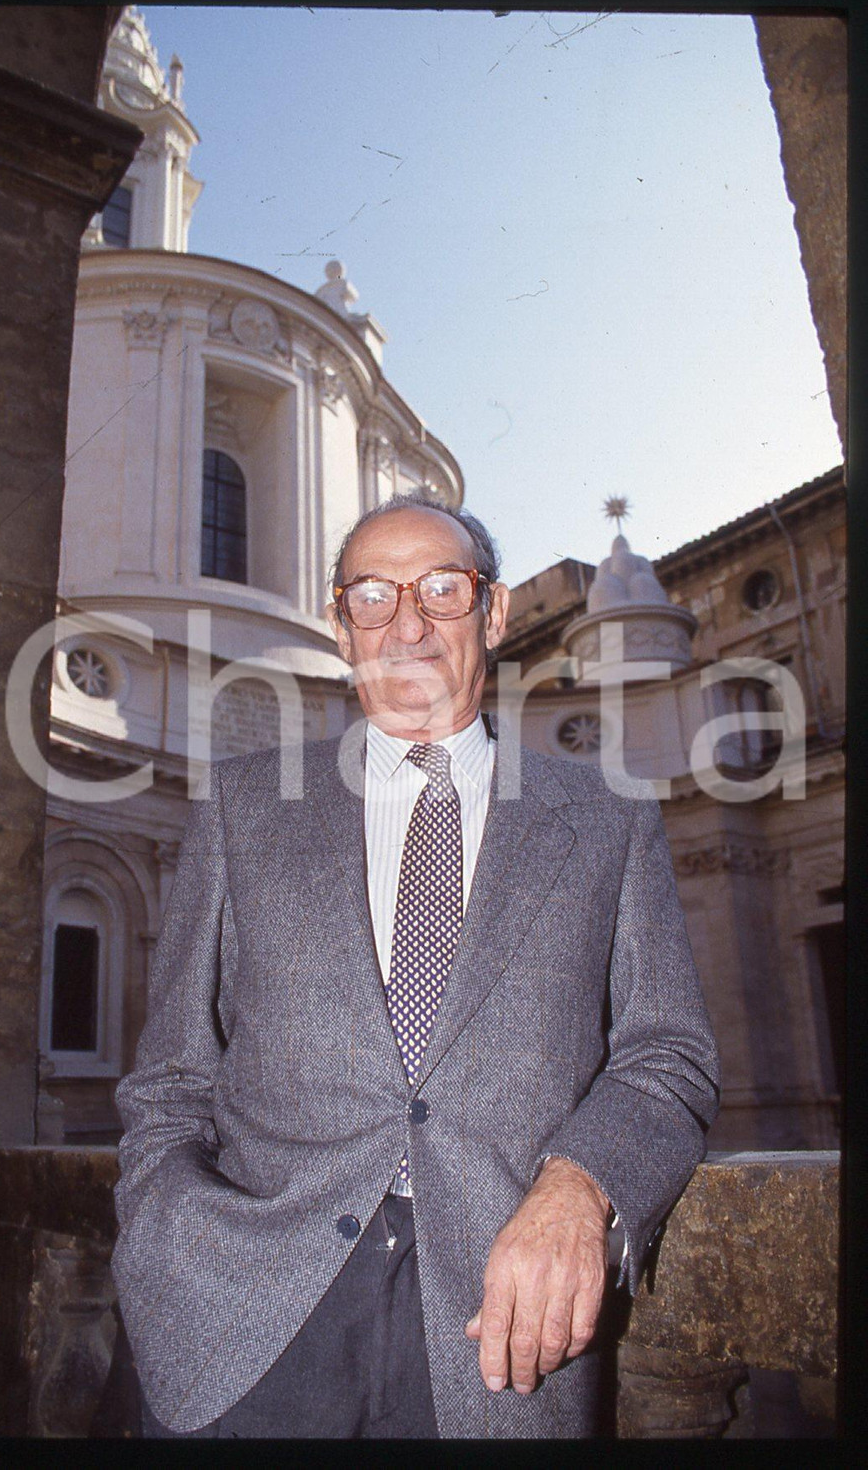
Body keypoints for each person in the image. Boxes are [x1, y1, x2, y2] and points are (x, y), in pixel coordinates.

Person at [112, 494, 720, 1439]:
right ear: (340, 623)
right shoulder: (243, 806)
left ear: (496, 611)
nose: (407, 623)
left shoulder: (609, 818)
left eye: (442, 588)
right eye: (372, 595)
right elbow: (174, 1074)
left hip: (502, 1333)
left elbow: (667, 1055)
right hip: (246, 1316)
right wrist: (165, 1239)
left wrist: (580, 1185)